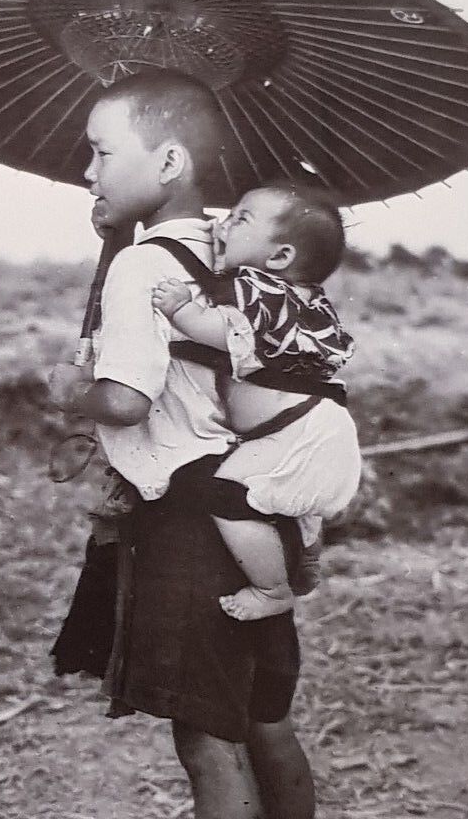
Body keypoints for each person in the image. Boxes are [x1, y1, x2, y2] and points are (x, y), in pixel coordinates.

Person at [48, 69, 321, 819]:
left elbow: (123, 401)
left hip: (192, 521)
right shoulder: (243, 250)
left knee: (208, 740)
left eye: (99, 149)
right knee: (265, 720)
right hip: (268, 514)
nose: (87, 166)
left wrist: (62, 391)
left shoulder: (136, 269)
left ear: (167, 161)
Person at [151, 181, 361, 620]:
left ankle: (271, 589)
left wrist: (180, 311)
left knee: (228, 496)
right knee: (288, 493)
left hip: (293, 427)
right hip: (314, 421)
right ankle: (305, 555)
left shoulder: (258, 290)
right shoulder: (301, 300)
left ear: (280, 257)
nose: (223, 224)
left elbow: (218, 331)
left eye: (239, 219)